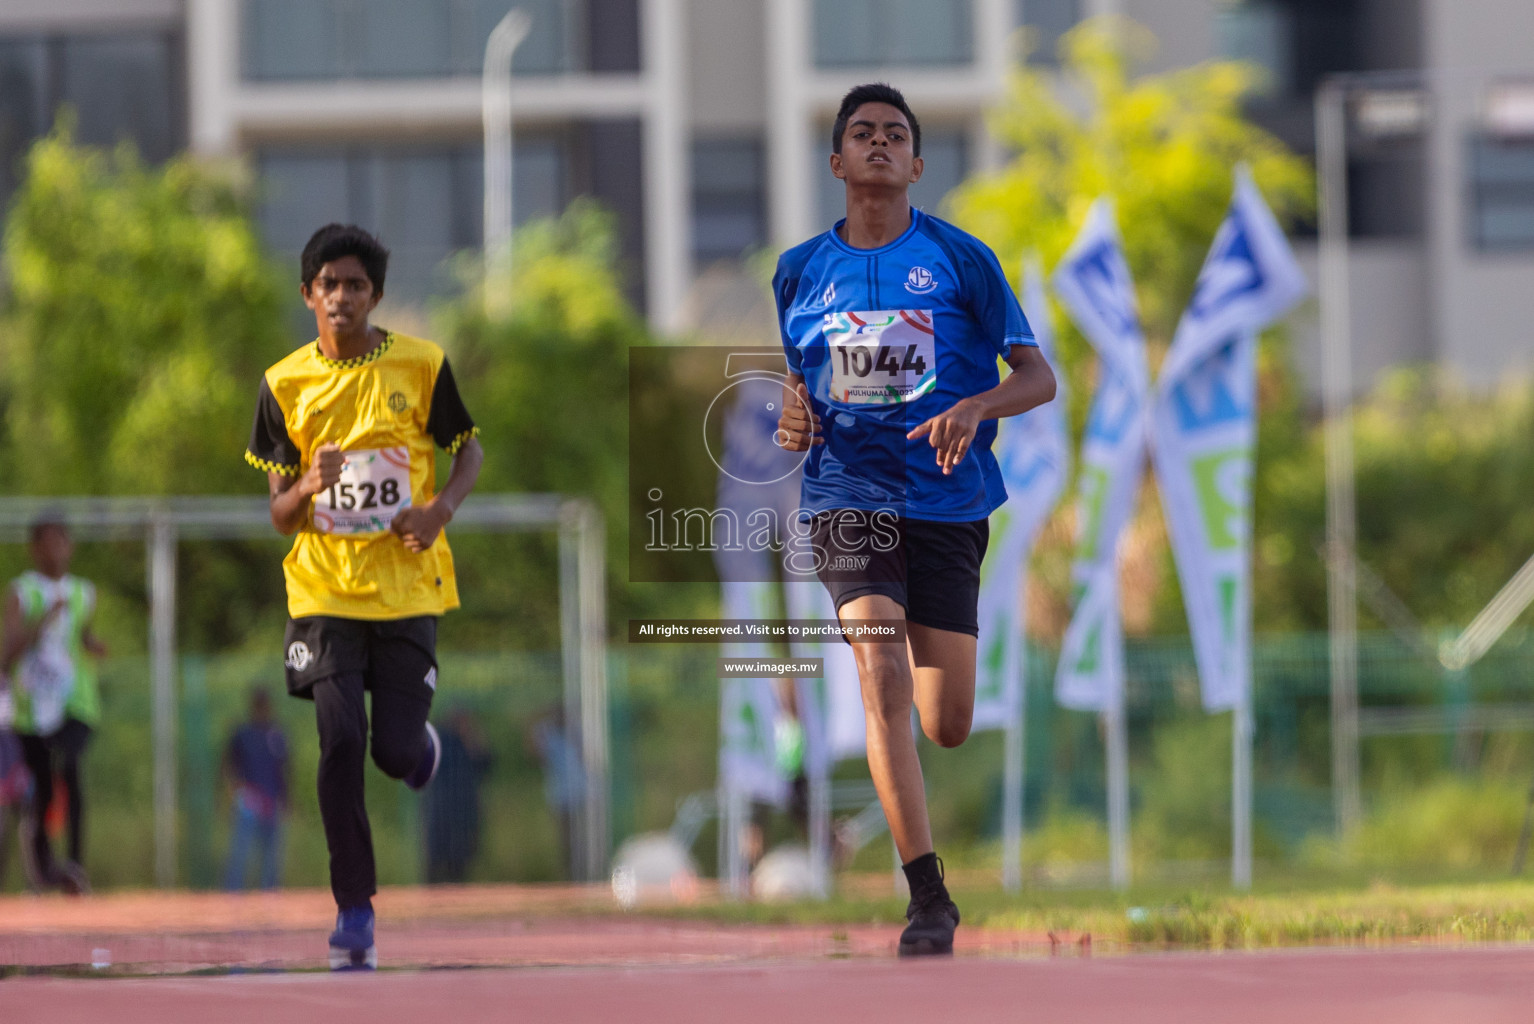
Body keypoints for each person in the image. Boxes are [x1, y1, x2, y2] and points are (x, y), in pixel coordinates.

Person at [773, 83, 1055, 956]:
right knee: (879, 678)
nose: (881, 145)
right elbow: (802, 382)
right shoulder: (797, 271)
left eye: (897, 135)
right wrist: (792, 415)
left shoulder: (963, 260)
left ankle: (927, 862)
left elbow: (1037, 378)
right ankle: (926, 897)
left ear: (918, 163)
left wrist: (975, 405)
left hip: (946, 499)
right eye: (863, 134)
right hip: (846, 497)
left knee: (947, 720)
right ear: (837, 162)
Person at [245, 223, 484, 970]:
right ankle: (354, 911)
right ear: (308, 294)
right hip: (322, 594)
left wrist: (438, 510)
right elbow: (279, 514)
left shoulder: (421, 364)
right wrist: (309, 486)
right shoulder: (284, 383)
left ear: (374, 294)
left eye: (355, 284)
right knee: (339, 742)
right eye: (329, 284)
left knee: (392, 752)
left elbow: (468, 448)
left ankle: (421, 750)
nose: (342, 297)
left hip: (407, 587)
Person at [2, 516, 106, 894]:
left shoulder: (84, 592)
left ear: (70, 546)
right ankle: (45, 869)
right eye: (47, 542)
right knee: (42, 788)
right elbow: (6, 654)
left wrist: (93, 646)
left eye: (61, 541)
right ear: (34, 548)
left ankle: (76, 863)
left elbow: (81, 636)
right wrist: (40, 622)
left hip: (75, 702)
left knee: (71, 767)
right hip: (32, 708)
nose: (55, 549)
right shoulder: (22, 592)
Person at [223, 688, 290, 891]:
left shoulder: (276, 734)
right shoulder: (243, 733)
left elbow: (285, 768)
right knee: (241, 849)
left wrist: (286, 798)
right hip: (249, 797)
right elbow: (228, 763)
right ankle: (233, 890)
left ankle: (269, 890)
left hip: (272, 797)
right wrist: (233, 789)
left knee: (271, 851)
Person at [422, 707, 492, 884]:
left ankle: (456, 891)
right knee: (436, 859)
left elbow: (486, 765)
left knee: (460, 861)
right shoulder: (441, 740)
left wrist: (471, 738)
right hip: (441, 809)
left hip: (464, 809)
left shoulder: (469, 741)